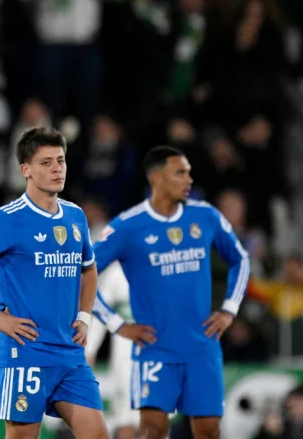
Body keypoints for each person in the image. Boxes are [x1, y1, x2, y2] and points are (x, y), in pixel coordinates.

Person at [0, 127, 108, 439]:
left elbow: (89, 269)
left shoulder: (75, 216)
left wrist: (84, 316)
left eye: (61, 160)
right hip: (24, 351)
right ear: (25, 170)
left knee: (97, 434)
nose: (57, 168)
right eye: (46, 163)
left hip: (69, 352)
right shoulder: (7, 219)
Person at [91, 146, 251, 439]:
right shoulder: (129, 226)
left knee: (209, 430)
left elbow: (240, 258)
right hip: (155, 349)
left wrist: (229, 309)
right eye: (180, 173)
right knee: (151, 430)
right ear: (156, 178)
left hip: (201, 348)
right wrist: (117, 324)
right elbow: (82, 273)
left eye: (189, 172)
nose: (189, 179)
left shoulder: (205, 217)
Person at [84, 220, 137, 439]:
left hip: (159, 353)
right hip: (125, 355)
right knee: (125, 419)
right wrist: (90, 350)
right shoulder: (117, 273)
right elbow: (98, 309)